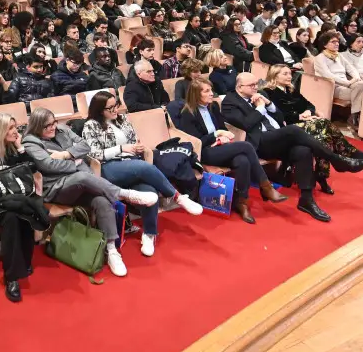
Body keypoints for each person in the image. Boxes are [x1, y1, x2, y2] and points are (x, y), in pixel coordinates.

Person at [21, 108, 157, 277]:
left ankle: (111, 250)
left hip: (82, 183)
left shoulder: (63, 129)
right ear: (37, 126)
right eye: (47, 125)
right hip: (57, 188)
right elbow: (49, 165)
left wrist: (66, 154)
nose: (52, 127)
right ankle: (124, 194)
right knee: (82, 176)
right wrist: (76, 162)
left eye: (53, 122)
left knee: (102, 201)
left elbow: (85, 145)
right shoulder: (31, 143)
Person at [221, 73, 357, 222]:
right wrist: (260, 108)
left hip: (277, 137)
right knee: (293, 130)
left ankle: (306, 200)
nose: (255, 87)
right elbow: (246, 124)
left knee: (303, 150)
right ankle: (336, 158)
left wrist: (269, 104)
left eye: (256, 84)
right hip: (259, 142)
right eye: (251, 85)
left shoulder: (260, 95)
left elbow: (281, 118)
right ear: (239, 87)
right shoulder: (230, 102)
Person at [82, 91, 204, 256]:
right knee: (144, 167)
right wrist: (121, 149)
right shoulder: (91, 125)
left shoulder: (122, 119)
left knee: (150, 192)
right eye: (110, 108)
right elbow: (93, 154)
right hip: (107, 167)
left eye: (116, 105)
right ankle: (176, 196)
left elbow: (134, 140)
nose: (115, 110)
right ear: (99, 110)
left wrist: (137, 147)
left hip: (131, 163)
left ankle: (149, 234)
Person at [172, 77, 286, 224]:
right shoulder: (188, 113)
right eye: (206, 91)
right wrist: (216, 135)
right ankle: (266, 187)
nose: (211, 93)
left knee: (242, 160)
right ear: (196, 94)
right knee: (246, 146)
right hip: (204, 152)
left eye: (211, 90)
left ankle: (242, 202)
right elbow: (195, 141)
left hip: (220, 147)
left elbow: (223, 128)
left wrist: (223, 137)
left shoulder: (213, 107)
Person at [258, 65, 363, 194]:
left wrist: (308, 112)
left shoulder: (291, 90)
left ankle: (322, 174)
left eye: (290, 74)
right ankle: (349, 155)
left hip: (304, 122)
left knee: (323, 137)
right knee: (324, 123)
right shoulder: (268, 92)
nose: (289, 76)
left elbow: (309, 105)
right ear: (275, 76)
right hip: (288, 129)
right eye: (285, 74)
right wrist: (299, 116)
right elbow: (278, 115)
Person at [0, 113, 51, 303]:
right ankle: (12, 277)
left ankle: (23, 261)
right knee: (13, 216)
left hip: (17, 198)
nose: (15, 131)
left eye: (15, 127)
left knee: (22, 211)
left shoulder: (13, 148)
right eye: (10, 128)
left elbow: (32, 168)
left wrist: (20, 147)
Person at [308, 31, 363, 125]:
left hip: (347, 83)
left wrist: (356, 78)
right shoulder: (320, 58)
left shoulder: (338, 55)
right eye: (333, 42)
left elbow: (351, 68)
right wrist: (347, 82)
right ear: (325, 45)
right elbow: (328, 75)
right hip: (333, 87)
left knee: (361, 85)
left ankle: (353, 116)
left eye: (337, 41)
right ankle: (355, 117)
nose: (337, 44)